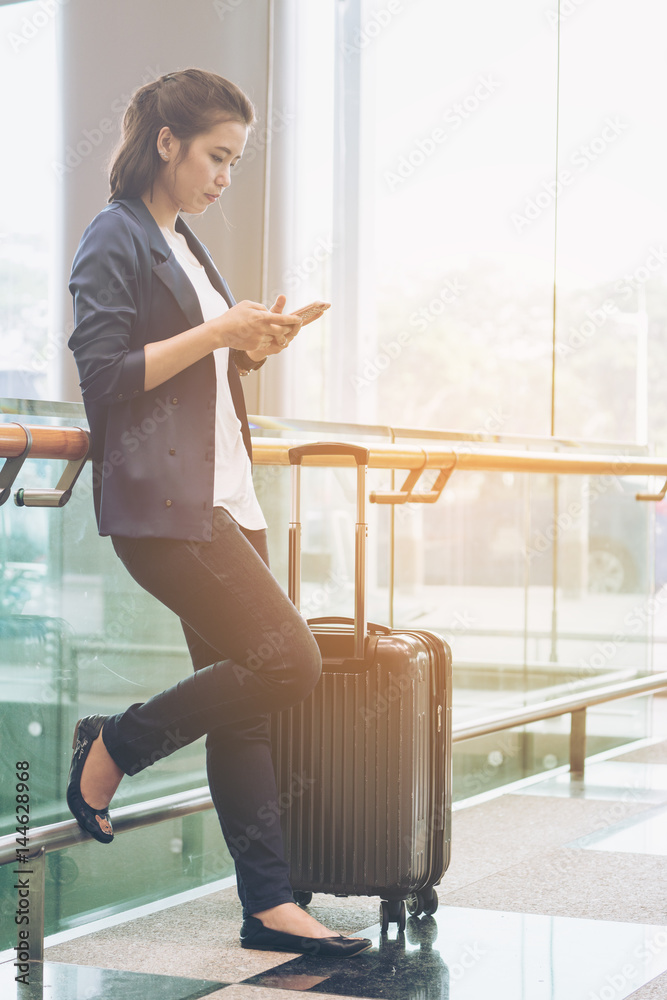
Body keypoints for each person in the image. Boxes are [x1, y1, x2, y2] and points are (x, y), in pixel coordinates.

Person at [66, 67, 371, 958]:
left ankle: (269, 904)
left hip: (225, 501)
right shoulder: (112, 238)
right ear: (166, 142)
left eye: (236, 162)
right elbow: (108, 380)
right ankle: (116, 742)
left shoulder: (183, 240)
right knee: (291, 662)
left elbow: (199, 369)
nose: (224, 176)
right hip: (165, 510)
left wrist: (253, 348)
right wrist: (217, 333)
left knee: (245, 705)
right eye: (215, 156)